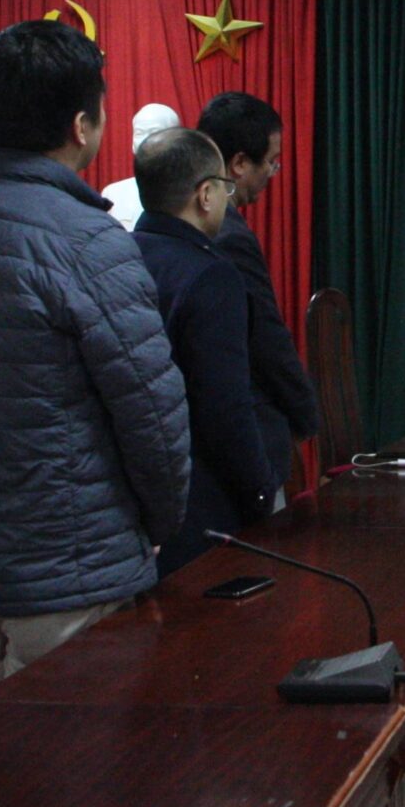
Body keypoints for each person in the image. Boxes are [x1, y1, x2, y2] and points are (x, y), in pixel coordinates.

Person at [0, 22, 192, 703]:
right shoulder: (92, 242)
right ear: (82, 126)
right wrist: (156, 527)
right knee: (70, 767)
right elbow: (153, 417)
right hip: (72, 574)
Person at [134, 129, 277, 574]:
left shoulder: (120, 257)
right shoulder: (211, 275)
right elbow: (225, 407)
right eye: (225, 187)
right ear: (205, 195)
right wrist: (261, 490)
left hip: (138, 499)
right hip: (203, 505)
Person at [198, 92, 321, 494]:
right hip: (241, 435)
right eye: (270, 161)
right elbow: (265, 336)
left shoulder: (181, 220)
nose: (273, 172)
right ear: (238, 163)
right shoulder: (228, 234)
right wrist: (306, 414)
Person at [101, 101, 180, 231]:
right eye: (139, 133)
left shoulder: (189, 194)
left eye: (154, 132)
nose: (145, 140)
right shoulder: (114, 194)